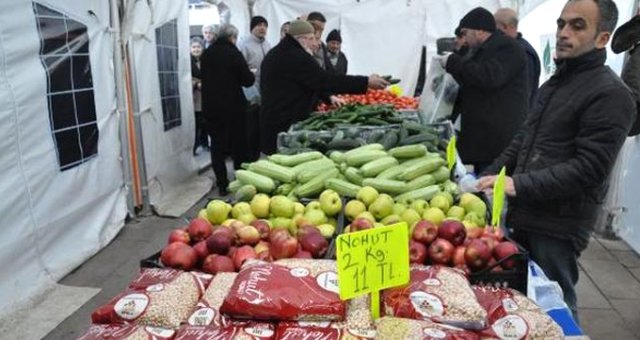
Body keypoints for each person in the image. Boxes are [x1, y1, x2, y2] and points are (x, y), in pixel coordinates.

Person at [477, 0, 636, 323]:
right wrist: (492, 173)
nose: (564, 33)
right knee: (526, 303)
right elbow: (523, 140)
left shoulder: (610, 94)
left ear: (603, 38)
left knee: (555, 306)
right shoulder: (555, 83)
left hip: (559, 224)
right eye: (562, 24)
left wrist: (517, 184)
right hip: (528, 212)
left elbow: (589, 168)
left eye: (578, 26)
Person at [260, 20, 389, 154]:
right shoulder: (296, 56)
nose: (314, 43)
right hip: (284, 122)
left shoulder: (279, 52)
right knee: (280, 160)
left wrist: (328, 96)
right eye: (311, 39)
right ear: (301, 38)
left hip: (274, 119)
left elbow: (311, 81)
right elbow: (325, 80)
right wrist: (366, 82)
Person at [441, 7, 529, 174]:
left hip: (499, 140)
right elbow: (470, 79)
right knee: (482, 180)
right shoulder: (479, 50)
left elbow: (488, 77)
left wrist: (453, 62)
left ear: (480, 31)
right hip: (483, 137)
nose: (464, 38)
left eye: (466, 32)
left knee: (494, 185)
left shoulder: (508, 48)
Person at [200, 24, 255, 195]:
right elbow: (247, 80)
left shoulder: (206, 54)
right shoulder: (233, 53)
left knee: (217, 147)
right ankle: (240, 182)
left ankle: (222, 184)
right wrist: (251, 73)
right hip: (233, 107)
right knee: (239, 145)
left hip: (211, 107)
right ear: (232, 37)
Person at [238, 15, 272, 161]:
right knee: (250, 128)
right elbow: (240, 69)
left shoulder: (267, 45)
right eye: (259, 25)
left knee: (262, 126)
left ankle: (259, 155)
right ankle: (249, 158)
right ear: (252, 27)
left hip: (266, 92)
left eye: (265, 25)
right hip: (250, 92)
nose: (262, 28)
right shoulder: (243, 44)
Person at [495, 8, 542, 107]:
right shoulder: (510, 48)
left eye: (495, 28)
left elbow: (525, 92)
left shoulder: (524, 53)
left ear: (505, 27)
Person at [190, 37, 208, 155]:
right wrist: (196, 83)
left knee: (205, 122)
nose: (196, 49)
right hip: (194, 97)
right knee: (195, 123)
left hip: (206, 96)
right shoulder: (187, 62)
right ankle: (194, 146)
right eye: (194, 47)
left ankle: (205, 143)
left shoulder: (206, 60)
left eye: (198, 47)